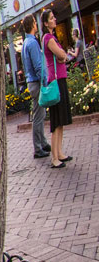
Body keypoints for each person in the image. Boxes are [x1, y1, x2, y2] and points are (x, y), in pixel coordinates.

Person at [42, 10, 75, 169]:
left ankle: (59, 152)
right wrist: (62, 55)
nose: (55, 20)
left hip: (59, 79)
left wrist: (63, 55)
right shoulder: (48, 38)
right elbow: (61, 55)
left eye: (54, 17)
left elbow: (64, 56)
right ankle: (54, 157)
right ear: (45, 23)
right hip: (55, 81)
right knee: (56, 120)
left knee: (60, 119)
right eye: (51, 18)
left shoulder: (52, 37)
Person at [21, 16, 51, 160]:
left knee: (40, 114)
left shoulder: (26, 42)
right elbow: (38, 66)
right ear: (33, 24)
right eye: (35, 22)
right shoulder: (32, 43)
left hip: (31, 82)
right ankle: (38, 148)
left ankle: (43, 143)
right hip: (36, 82)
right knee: (39, 116)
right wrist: (45, 81)